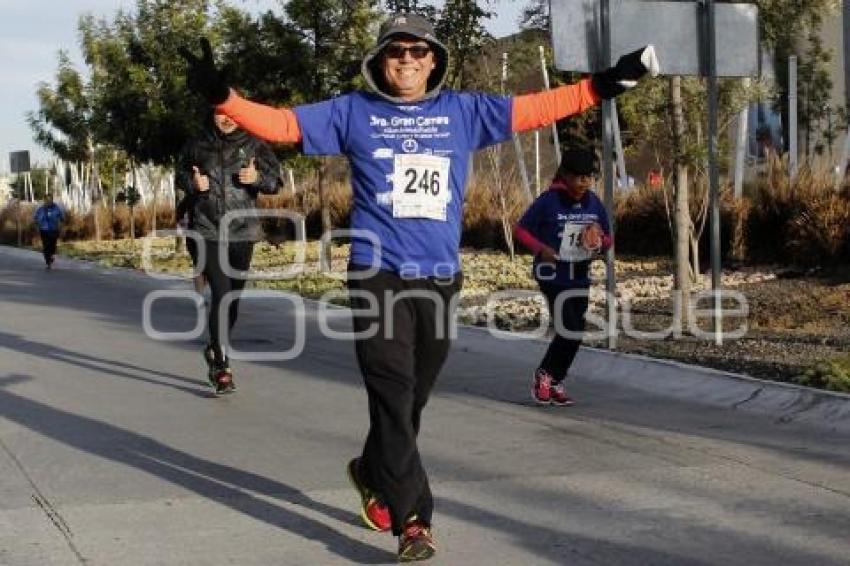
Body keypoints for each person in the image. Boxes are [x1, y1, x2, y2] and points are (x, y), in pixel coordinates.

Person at [181, 13, 657, 561]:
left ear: (434, 60)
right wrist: (225, 98)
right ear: (381, 61)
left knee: (411, 400)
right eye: (396, 51)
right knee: (391, 390)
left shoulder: (463, 112)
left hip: (437, 278)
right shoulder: (353, 112)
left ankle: (370, 469)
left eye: (417, 51)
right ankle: (414, 520)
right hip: (376, 274)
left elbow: (538, 109)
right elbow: (283, 125)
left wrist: (605, 83)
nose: (407, 59)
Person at [175, 109, 282, 395]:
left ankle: (213, 347)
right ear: (212, 114)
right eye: (221, 113)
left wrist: (257, 177)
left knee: (232, 299)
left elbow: (275, 182)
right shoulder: (196, 144)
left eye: (232, 112)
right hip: (206, 229)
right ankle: (222, 367)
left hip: (242, 232)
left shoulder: (256, 143)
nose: (227, 118)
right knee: (221, 294)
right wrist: (192, 184)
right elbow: (180, 177)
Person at [514, 148, 612, 406]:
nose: (584, 183)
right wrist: (541, 249)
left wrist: (599, 241)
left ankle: (555, 380)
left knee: (576, 331)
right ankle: (545, 374)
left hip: (579, 275)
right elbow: (521, 230)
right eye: (579, 177)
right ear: (565, 176)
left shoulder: (593, 202)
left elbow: (608, 238)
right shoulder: (548, 201)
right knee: (568, 328)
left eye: (588, 177)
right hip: (553, 276)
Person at [175, 191, 208, 300]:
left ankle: (200, 294)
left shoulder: (191, 194)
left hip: (201, 235)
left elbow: (179, 213)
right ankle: (200, 295)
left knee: (203, 266)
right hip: (197, 236)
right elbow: (179, 213)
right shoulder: (192, 195)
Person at [33, 193, 64, 269]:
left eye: (50, 200)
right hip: (44, 230)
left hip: (54, 230)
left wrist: (61, 223)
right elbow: (35, 217)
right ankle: (48, 261)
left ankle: (52, 255)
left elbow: (61, 217)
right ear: (44, 200)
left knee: (52, 245)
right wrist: (37, 225)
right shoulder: (41, 209)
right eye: (46, 200)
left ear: (52, 200)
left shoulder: (56, 208)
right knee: (46, 246)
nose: (48, 201)